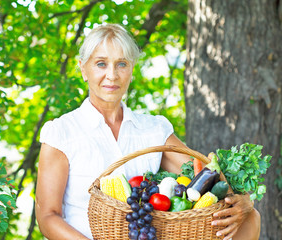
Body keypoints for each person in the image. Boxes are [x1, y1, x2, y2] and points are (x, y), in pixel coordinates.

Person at [35, 23, 260, 240]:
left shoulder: (154, 130)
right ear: (83, 68)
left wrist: (244, 201)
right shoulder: (61, 133)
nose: (112, 75)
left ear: (132, 69)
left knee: (252, 218)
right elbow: (47, 217)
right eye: (101, 64)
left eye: (121, 64)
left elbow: (204, 176)